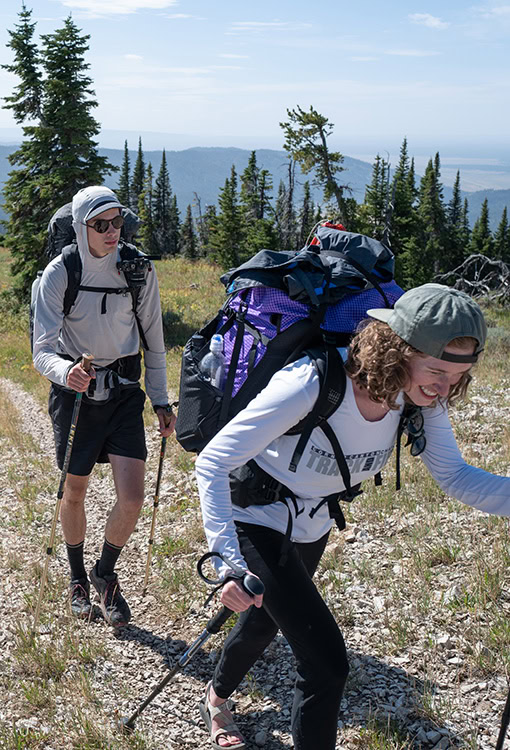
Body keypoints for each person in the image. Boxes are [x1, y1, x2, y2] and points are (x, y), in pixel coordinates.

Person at [194, 283, 510, 750]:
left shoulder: (417, 399)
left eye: (458, 376)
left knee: (265, 619)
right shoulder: (312, 382)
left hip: (313, 521)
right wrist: (225, 562)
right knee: (326, 664)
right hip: (255, 515)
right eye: (437, 371)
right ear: (400, 350)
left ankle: (216, 697)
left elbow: (457, 477)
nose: (445, 388)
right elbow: (213, 460)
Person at [33, 185, 175, 628]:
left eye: (118, 221)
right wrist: (65, 372)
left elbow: (154, 338)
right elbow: (42, 350)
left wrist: (162, 400)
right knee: (75, 491)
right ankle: (76, 577)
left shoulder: (137, 270)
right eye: (101, 224)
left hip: (125, 393)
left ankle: (104, 572)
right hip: (76, 395)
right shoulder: (60, 273)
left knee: (131, 499)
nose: (113, 231)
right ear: (81, 227)